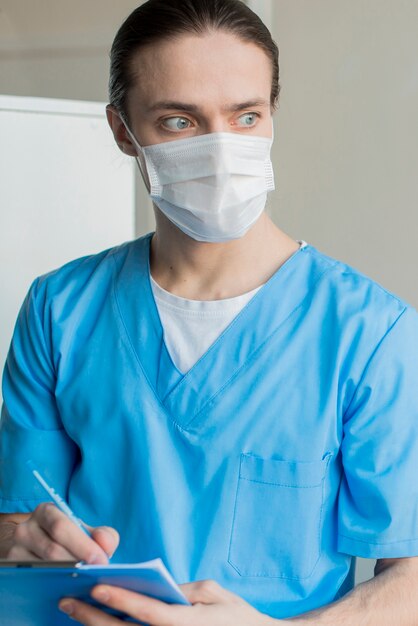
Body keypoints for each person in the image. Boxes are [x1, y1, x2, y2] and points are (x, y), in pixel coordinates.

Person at [1, 0, 418, 624]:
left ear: (272, 113)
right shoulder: (61, 309)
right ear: (123, 130)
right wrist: (17, 539)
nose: (221, 150)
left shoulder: (368, 334)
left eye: (245, 116)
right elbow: (20, 515)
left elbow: (409, 577)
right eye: (178, 122)